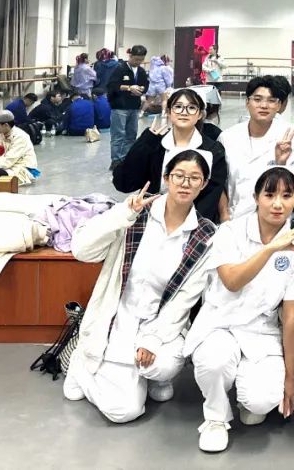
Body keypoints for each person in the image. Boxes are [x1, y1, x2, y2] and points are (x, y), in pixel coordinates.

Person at [64, 151, 217, 424]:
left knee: (161, 367)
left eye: (194, 178)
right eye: (179, 176)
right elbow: (81, 250)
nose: (185, 183)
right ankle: (81, 369)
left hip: (161, 325)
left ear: (204, 184)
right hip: (119, 318)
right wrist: (123, 214)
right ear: (166, 178)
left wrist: (152, 339)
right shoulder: (136, 212)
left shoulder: (205, 234)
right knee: (124, 411)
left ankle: (147, 377)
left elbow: (184, 299)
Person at [187, 166, 294, 453]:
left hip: (261, 330)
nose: (278, 204)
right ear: (256, 197)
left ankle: (246, 397)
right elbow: (232, 281)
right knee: (214, 361)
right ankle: (215, 418)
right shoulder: (230, 232)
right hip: (220, 322)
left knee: (260, 402)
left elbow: (291, 318)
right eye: (269, 195)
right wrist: (271, 249)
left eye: (286, 196)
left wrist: (291, 379)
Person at [114, 88, 229, 223]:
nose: (184, 112)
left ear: (199, 114)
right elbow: (124, 184)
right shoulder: (155, 145)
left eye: (191, 108)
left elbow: (210, 198)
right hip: (152, 218)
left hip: (193, 222)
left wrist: (188, 226)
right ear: (169, 112)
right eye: (178, 107)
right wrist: (145, 142)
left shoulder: (213, 151)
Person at [217, 76, 294, 222]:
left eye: (271, 100)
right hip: (235, 217)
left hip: (276, 217)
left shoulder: (291, 135)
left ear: (279, 105)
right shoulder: (228, 137)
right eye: (257, 99)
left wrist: (280, 164)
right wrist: (224, 215)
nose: (264, 105)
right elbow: (219, 182)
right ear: (247, 102)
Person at [108, 45, 150, 170]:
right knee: (118, 135)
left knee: (131, 134)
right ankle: (116, 161)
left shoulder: (141, 71)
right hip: (120, 107)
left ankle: (126, 158)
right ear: (130, 56)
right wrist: (128, 88)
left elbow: (145, 85)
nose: (138, 62)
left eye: (141, 60)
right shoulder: (120, 68)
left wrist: (141, 89)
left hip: (134, 107)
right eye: (136, 59)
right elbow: (112, 86)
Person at [0, 110, 39, 186]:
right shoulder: (0, 136)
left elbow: (9, 160)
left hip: (21, 167)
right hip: (5, 164)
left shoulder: (20, 137)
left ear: (5, 125)